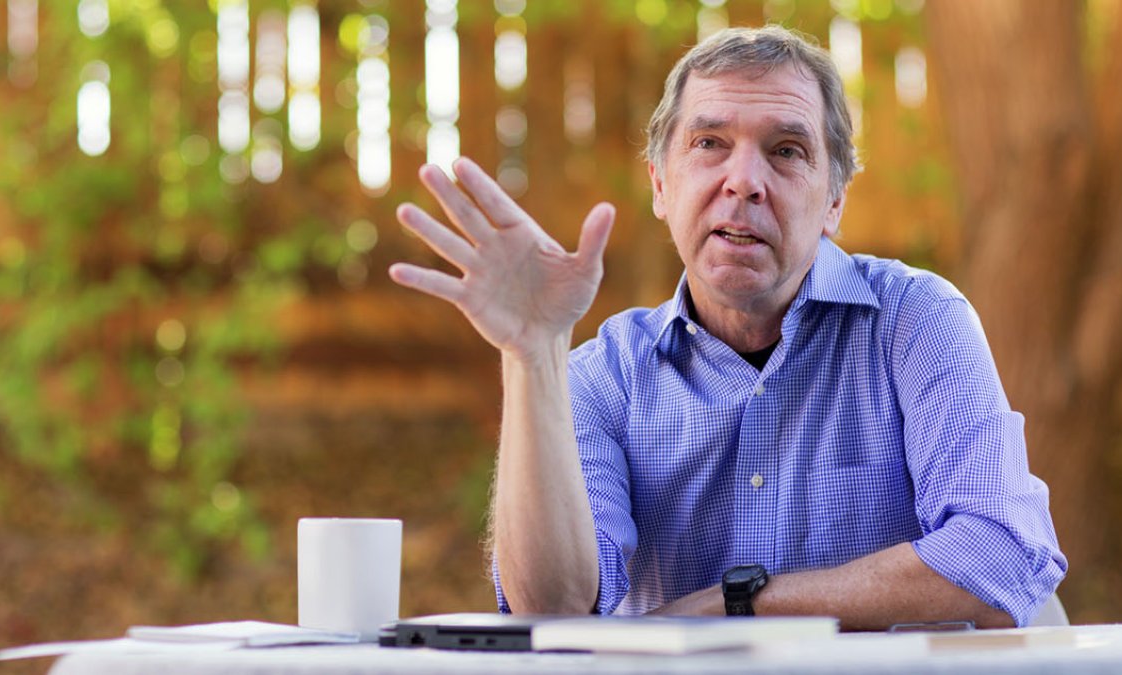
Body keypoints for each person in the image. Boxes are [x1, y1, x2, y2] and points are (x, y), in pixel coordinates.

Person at [388, 25, 1066, 629]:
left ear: (834, 200)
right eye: (710, 143)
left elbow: (1001, 552)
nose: (744, 180)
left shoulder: (917, 324)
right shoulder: (603, 376)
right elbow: (554, 612)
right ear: (660, 183)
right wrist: (532, 354)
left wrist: (743, 601)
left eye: (787, 150)